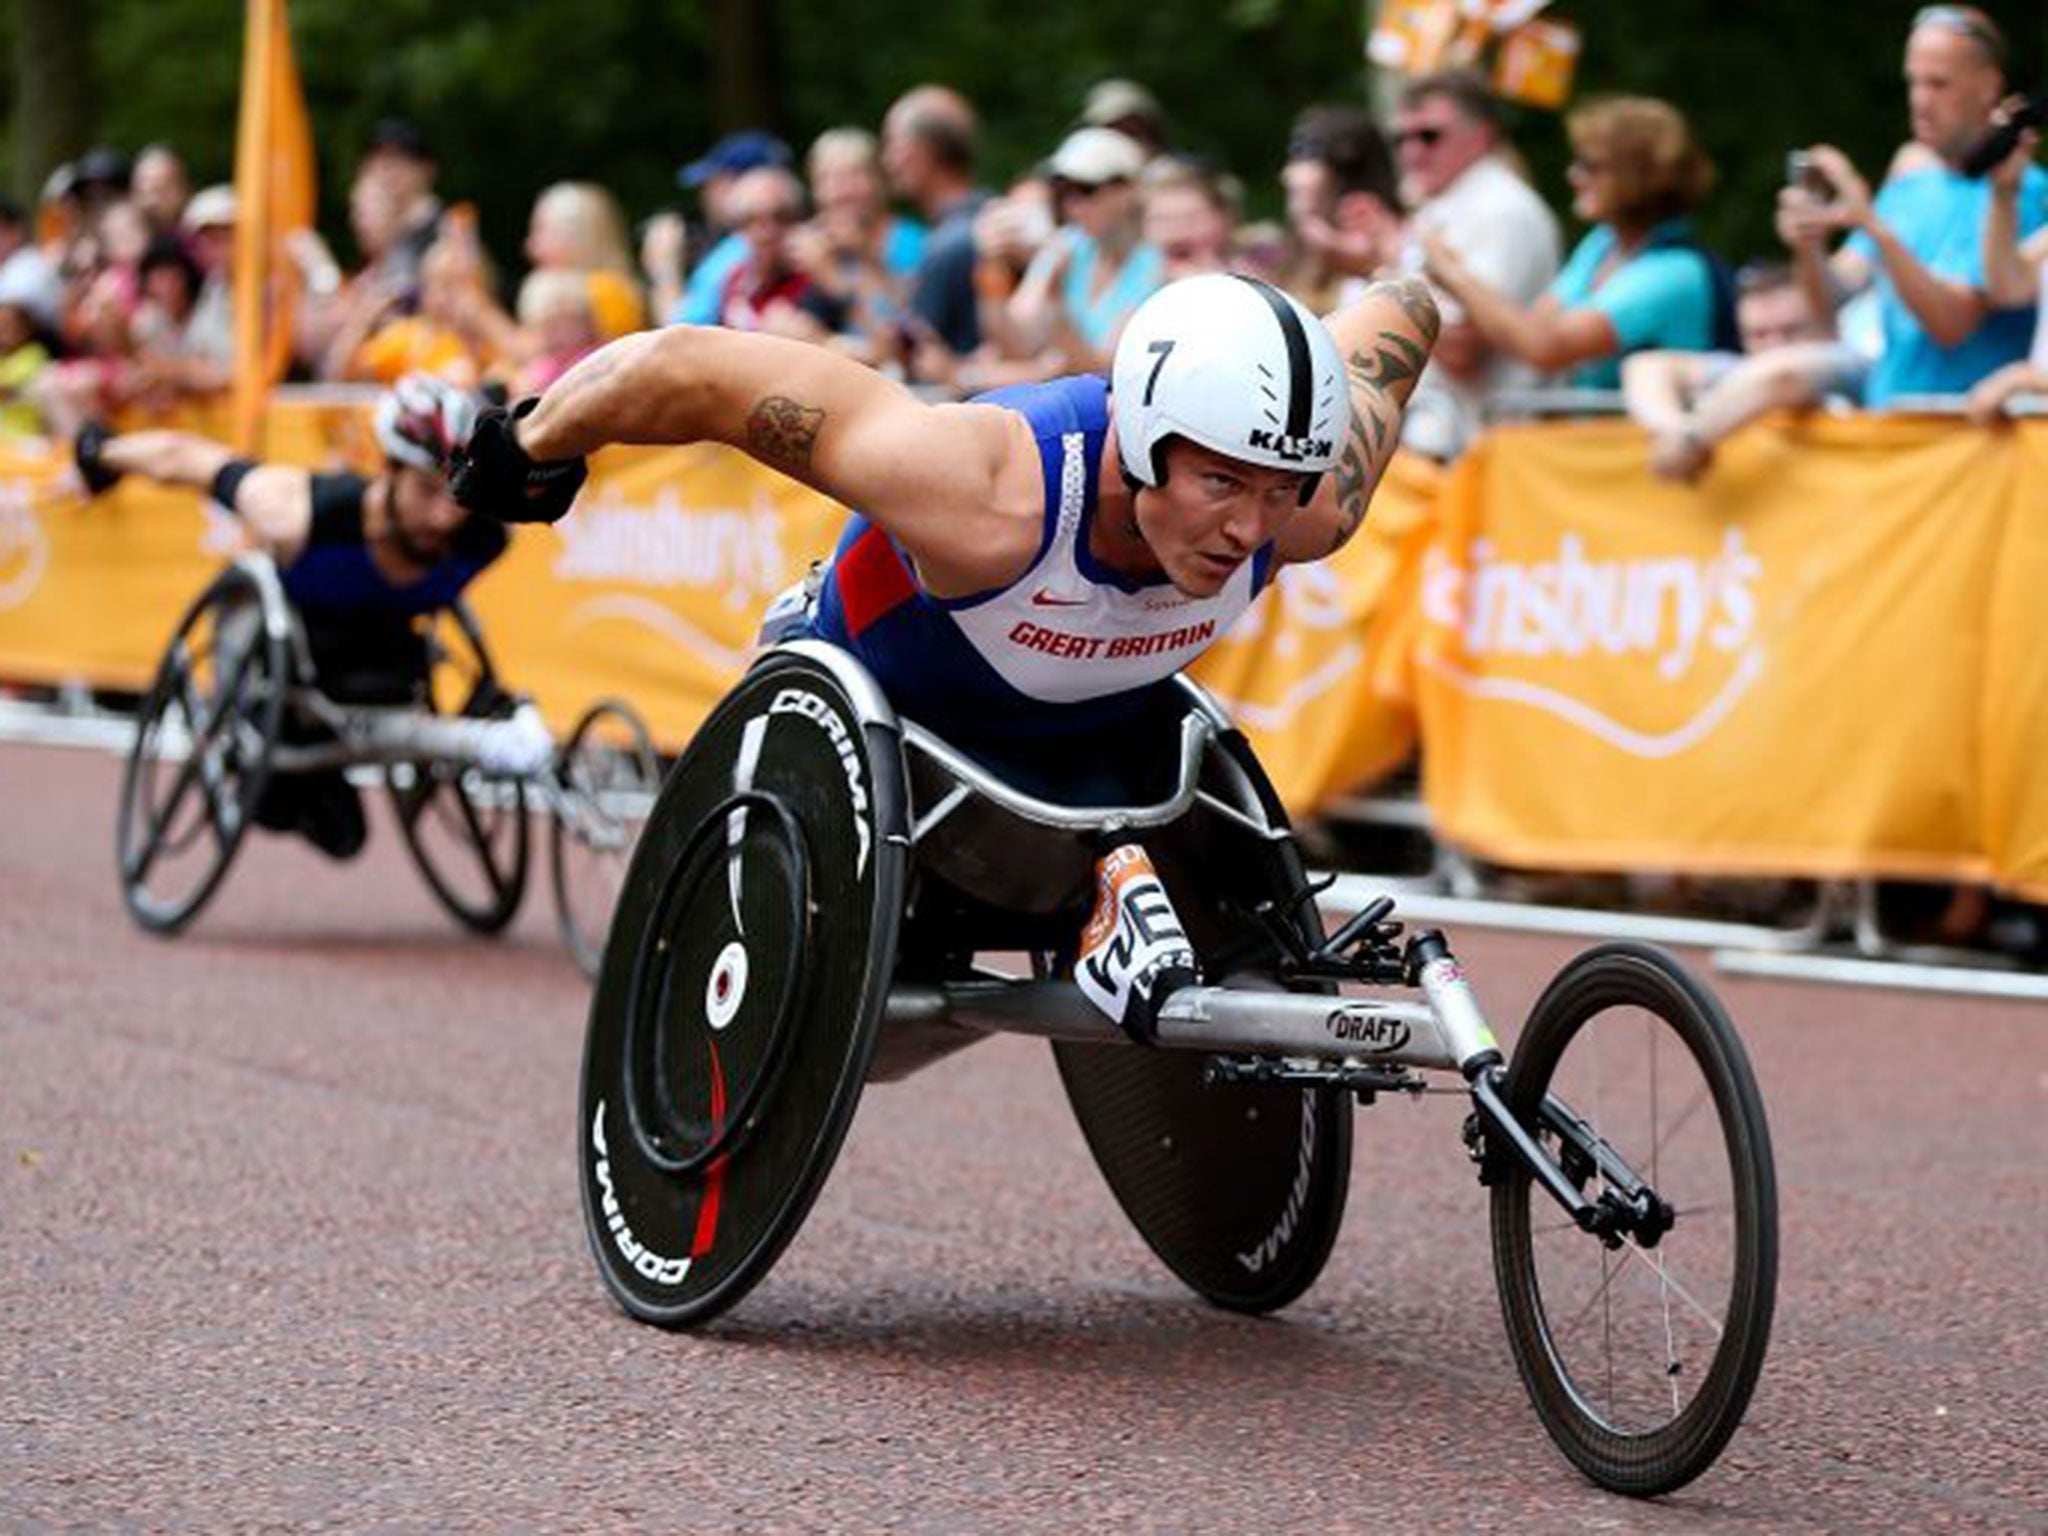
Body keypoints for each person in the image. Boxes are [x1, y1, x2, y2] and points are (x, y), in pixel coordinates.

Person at [447, 270, 1439, 800]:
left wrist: (1332, 322)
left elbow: (1401, 314)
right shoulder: (982, 494)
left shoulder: (1310, 512)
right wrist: (531, 441)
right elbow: (688, 370)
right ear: (1142, 438)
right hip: (884, 703)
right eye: (1221, 481)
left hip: (1087, 737)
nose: (1247, 530)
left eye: (1278, 490)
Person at [72, 374, 532, 858]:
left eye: (457, 494)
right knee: (302, 816)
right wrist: (99, 454)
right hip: (288, 651)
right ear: (388, 470)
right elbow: (188, 461)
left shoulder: (483, 538)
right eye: (425, 492)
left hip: (387, 649)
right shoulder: (301, 514)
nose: (444, 517)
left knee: (347, 839)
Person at [1778, 5, 2046, 407]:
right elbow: (1830, 306)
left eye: (1939, 84)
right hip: (1889, 422)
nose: (1920, 100)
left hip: (1968, 435)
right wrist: (1808, 246)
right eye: (1914, 83)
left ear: (1988, 86)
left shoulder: (2021, 189)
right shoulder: (1910, 180)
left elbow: (1953, 323)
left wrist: (1871, 223)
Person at [1392, 68, 1562, 458]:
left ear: (1481, 136)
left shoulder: (1500, 209)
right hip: (1450, 441)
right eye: (1401, 137)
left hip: (1483, 449)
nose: (1411, 151)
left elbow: (1462, 350)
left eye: (1429, 135)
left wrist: (1384, 265)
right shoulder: (1450, 204)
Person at [1624, 262, 1868, 480]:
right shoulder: (1746, 371)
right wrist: (1673, 431)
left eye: (1791, 330)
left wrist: (1692, 441)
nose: (1774, 346)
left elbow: (1782, 376)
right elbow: (1644, 367)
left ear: (1829, 327)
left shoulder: (1848, 362)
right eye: (1758, 334)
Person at [881, 84, 993, 380]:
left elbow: (915, 358)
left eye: (892, 144)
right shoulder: (991, 216)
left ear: (919, 152)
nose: (887, 161)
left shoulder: (948, 245)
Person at [1278, 104, 1405, 315]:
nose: (1289, 174)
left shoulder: (1374, 223)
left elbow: (1360, 258)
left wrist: (1305, 214)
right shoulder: (1301, 249)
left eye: (1305, 154)